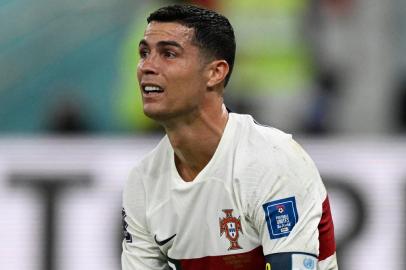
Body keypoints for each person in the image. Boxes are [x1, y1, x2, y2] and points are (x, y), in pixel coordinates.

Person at [121, 4, 338, 270]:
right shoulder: (143, 183)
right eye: (144, 53)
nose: (147, 66)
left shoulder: (273, 162)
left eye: (168, 54)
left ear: (215, 73)